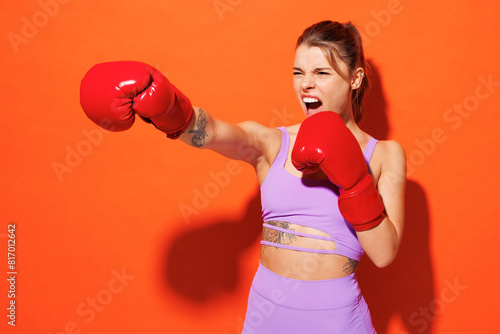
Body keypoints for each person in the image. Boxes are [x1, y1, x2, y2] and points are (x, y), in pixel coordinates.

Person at [80, 20, 406, 334]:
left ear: (356, 78)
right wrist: (168, 108)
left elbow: (384, 254)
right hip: (267, 315)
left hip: (336, 319)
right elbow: (211, 132)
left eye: (321, 73)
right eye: (298, 73)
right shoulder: (272, 143)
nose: (306, 84)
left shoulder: (385, 154)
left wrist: (355, 181)